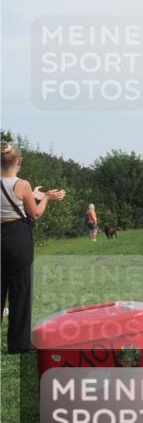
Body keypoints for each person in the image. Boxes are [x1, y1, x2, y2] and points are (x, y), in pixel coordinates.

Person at [1, 141, 66, 354]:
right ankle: (18, 344)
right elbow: (35, 213)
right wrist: (45, 197)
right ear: (19, 161)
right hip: (18, 238)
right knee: (20, 289)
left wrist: (33, 196)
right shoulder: (22, 184)